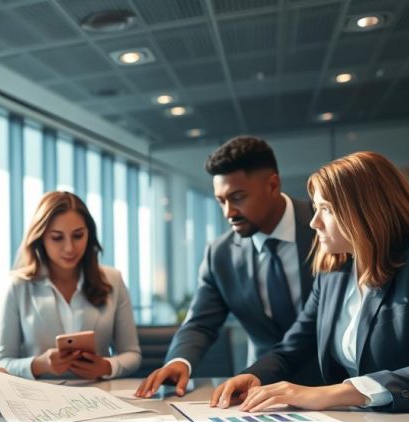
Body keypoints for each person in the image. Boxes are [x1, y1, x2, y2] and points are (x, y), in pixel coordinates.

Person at [210, 151, 409, 422]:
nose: (314, 222)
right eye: (315, 208)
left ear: (364, 210)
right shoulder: (334, 272)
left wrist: (337, 393)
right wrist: (255, 375)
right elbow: (292, 348)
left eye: (326, 209)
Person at [136, 135, 318, 397]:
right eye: (221, 200)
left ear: (273, 185)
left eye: (238, 197)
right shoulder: (220, 254)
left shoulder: (325, 226)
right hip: (257, 390)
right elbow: (200, 323)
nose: (228, 212)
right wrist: (180, 361)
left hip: (332, 386)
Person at [0, 191, 141, 380]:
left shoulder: (113, 280)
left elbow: (132, 354)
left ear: (89, 234)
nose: (70, 248)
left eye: (78, 236)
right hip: (40, 399)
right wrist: (39, 365)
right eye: (57, 238)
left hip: (99, 396)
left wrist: (107, 366)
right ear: (40, 238)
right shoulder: (17, 286)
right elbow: (1, 363)